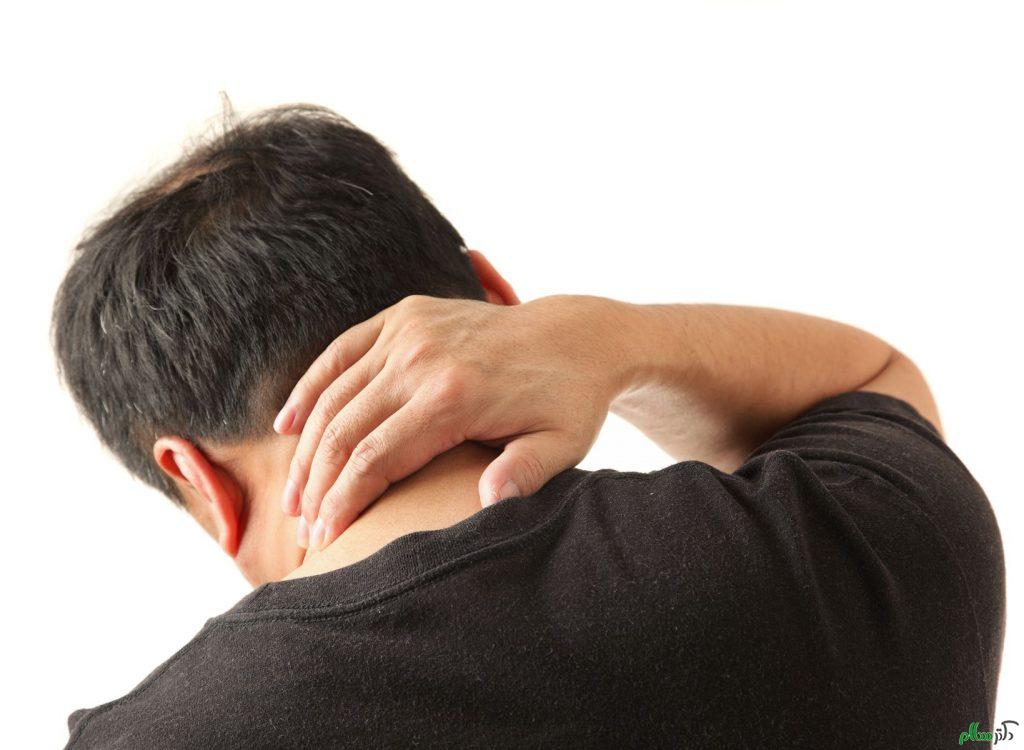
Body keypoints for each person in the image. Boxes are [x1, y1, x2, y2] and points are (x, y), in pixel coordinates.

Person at [54, 104, 1004, 749]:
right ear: (498, 301)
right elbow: (877, 377)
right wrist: (618, 339)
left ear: (195, 476)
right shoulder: (857, 543)